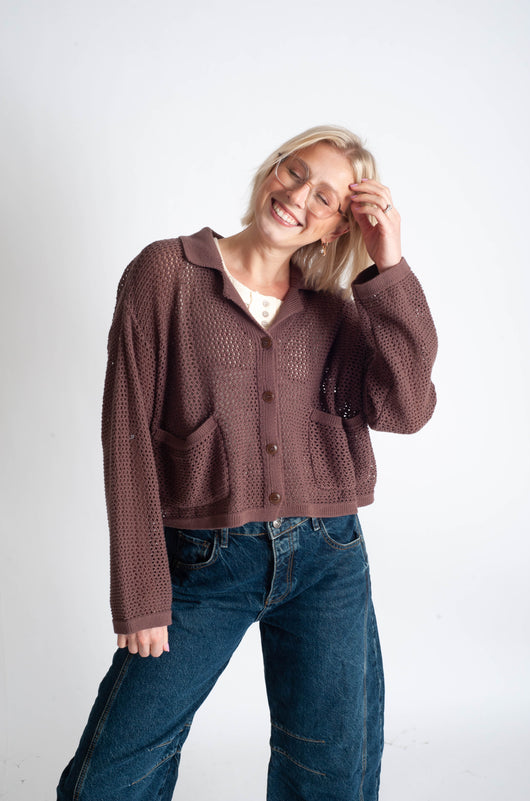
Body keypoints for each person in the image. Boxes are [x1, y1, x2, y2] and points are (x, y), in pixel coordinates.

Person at [57, 125, 437, 801]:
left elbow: (404, 408)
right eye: (293, 173)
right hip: (206, 561)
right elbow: (128, 437)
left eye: (323, 197)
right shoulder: (166, 274)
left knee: (326, 773)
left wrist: (389, 268)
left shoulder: (337, 312)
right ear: (270, 171)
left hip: (328, 556)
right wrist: (141, 594)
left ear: (335, 227)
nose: (297, 196)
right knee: (112, 776)